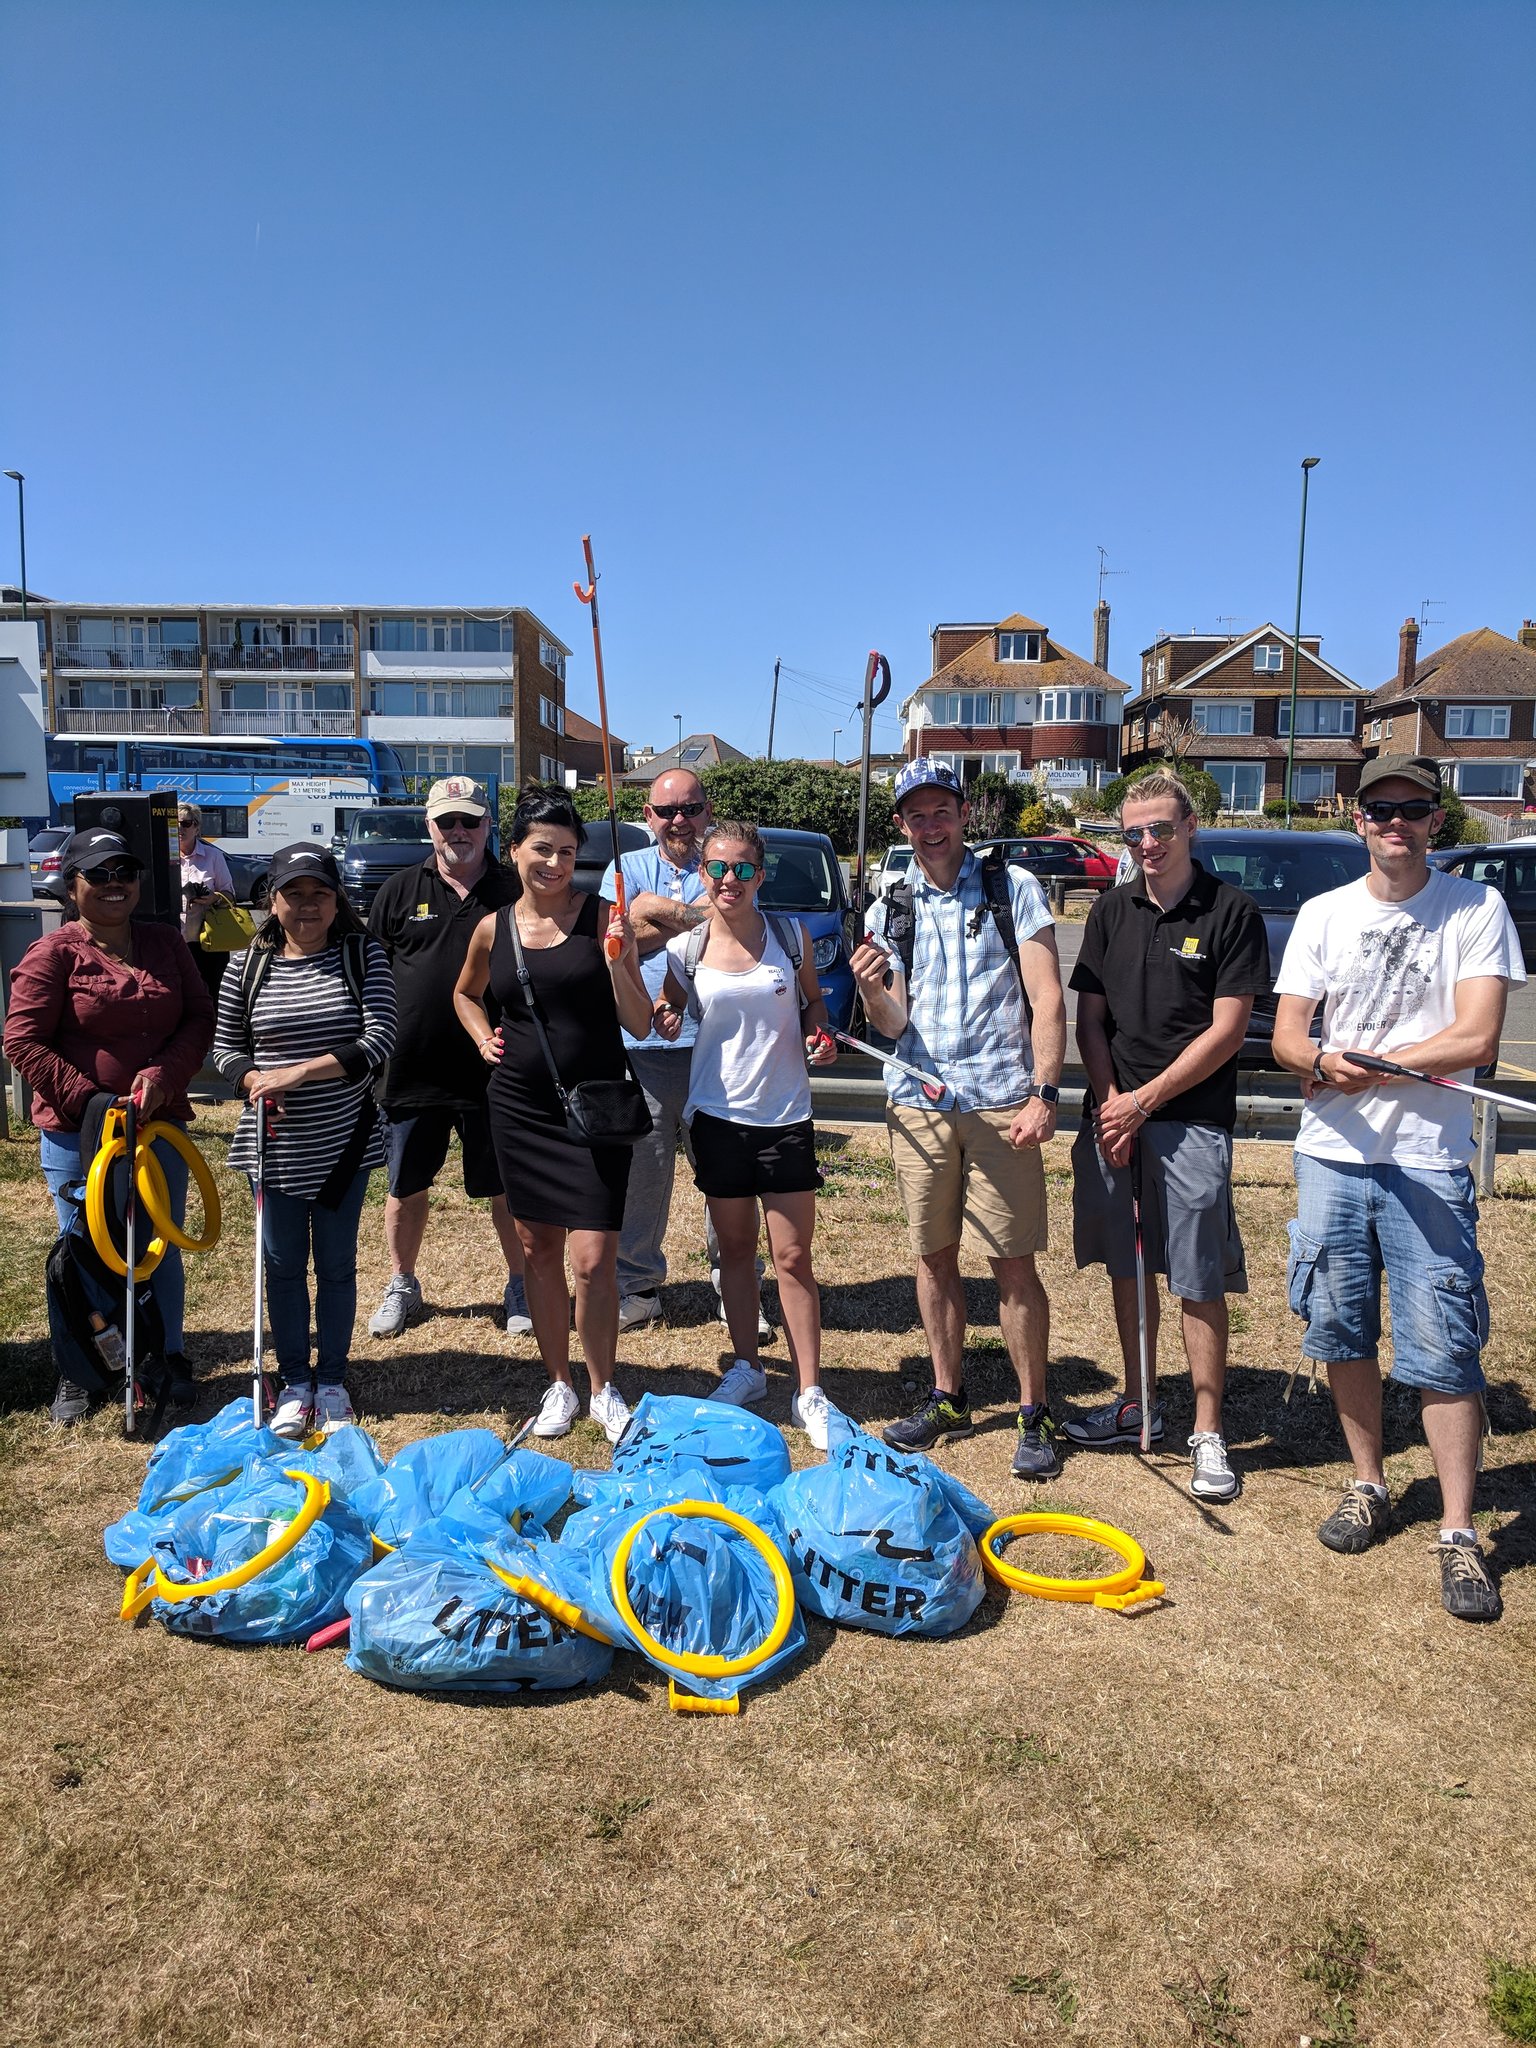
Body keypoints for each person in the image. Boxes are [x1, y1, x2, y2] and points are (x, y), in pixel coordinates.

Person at [1271, 755, 1524, 1622]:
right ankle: (1369, 1483)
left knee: (1443, 1343)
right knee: (1340, 1329)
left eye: (1412, 809)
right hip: (1330, 1158)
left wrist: (1367, 1069)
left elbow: (1477, 1034)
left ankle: (1457, 1533)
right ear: (1357, 819)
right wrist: (1320, 1062)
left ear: (1435, 820)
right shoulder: (1320, 914)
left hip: (1426, 1162)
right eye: (1380, 810)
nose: (1395, 823)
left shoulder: (1474, 907)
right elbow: (1289, 1040)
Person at [848, 759, 1068, 1479]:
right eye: (916, 815)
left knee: (1012, 1263)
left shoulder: (1013, 888)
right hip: (918, 1102)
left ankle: (1035, 1412)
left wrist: (1044, 1092)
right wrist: (870, 988)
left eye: (941, 811)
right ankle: (948, 1397)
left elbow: (1047, 998)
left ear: (965, 814)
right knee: (933, 1257)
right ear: (902, 824)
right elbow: (891, 1022)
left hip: (1003, 1101)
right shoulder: (892, 905)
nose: (930, 826)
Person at [1068, 769, 1270, 1502]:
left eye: (1159, 829)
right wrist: (1110, 1103)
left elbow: (1228, 1031)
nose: (1147, 844)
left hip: (1187, 1122)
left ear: (1190, 827)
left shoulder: (1230, 911)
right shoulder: (1110, 911)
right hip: (1115, 1119)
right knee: (1129, 1264)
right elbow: (1089, 1021)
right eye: (1133, 833)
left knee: (1195, 1278)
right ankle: (1137, 1401)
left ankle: (1207, 1431)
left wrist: (1144, 1103)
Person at [454, 786, 654, 1444]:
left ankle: (602, 1387)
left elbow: (640, 1021)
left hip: (594, 1108)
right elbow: (465, 993)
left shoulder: (603, 918)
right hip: (519, 1108)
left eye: (568, 852)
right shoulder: (494, 927)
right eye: (542, 848)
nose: (555, 863)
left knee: (595, 1262)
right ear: (513, 851)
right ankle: (560, 1383)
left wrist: (620, 961)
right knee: (539, 1251)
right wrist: (481, 1034)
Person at [4, 826, 216, 1422]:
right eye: (97, 874)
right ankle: (85, 1369)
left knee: (158, 1242)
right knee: (85, 1247)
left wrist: (164, 1075)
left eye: (123, 871)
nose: (113, 883)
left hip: (157, 1127)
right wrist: (91, 1099)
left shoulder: (165, 943)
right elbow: (20, 1040)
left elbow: (198, 1018)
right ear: (71, 886)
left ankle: (166, 1355)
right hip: (81, 1134)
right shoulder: (52, 954)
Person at [653, 820, 838, 1443]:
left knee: (792, 1257)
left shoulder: (792, 935)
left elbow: (814, 1003)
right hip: (717, 1117)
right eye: (717, 868)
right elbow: (668, 1012)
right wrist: (662, 1010)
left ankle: (810, 1390)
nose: (729, 880)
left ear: (762, 874)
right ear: (702, 873)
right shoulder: (689, 947)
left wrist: (820, 1030)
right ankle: (748, 1366)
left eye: (744, 869)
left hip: (785, 1115)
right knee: (734, 1252)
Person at [212, 844, 396, 1439]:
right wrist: (250, 1078)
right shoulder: (247, 964)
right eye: (295, 893)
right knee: (284, 1265)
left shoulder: (362, 954)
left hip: (345, 1142)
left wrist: (298, 1072)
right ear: (273, 901)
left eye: (320, 892)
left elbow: (379, 1040)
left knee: (337, 1266)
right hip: (272, 1143)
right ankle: (294, 1383)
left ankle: (334, 1380)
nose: (308, 905)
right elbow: (224, 1048)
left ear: (337, 898)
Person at [601, 766, 771, 1339]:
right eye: (666, 810)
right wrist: (706, 914)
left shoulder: (721, 864)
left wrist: (657, 914)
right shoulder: (625, 870)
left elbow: (656, 928)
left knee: (727, 1177)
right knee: (644, 1177)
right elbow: (618, 939)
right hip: (641, 1048)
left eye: (690, 808)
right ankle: (638, 1287)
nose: (679, 820)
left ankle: (736, 1285)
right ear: (647, 816)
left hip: (719, 1050)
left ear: (707, 809)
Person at [365, 775, 530, 1341]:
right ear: (428, 826)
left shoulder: (516, 890)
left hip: (498, 1068)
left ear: (489, 826)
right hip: (412, 1068)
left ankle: (521, 1284)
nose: (458, 831)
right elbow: (372, 976)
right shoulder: (398, 890)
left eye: (470, 821)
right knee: (405, 1187)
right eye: (446, 821)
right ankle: (402, 1282)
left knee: (507, 1188)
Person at [177, 804, 238, 1004]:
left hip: (207, 939)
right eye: (174, 823)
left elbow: (230, 893)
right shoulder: (163, 857)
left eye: (186, 823)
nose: (180, 828)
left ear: (197, 827)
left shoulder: (213, 856)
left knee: (211, 993)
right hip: (175, 939)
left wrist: (214, 897)